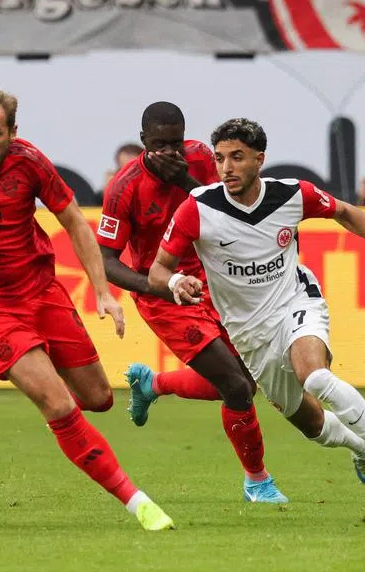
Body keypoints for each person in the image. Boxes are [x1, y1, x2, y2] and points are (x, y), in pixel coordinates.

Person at [0, 88, 174, 531]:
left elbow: (72, 220)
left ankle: (65, 422)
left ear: (12, 131)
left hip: (41, 291)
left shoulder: (29, 161)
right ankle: (138, 502)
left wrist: (103, 291)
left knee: (98, 399)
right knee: (58, 402)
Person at [149, 118, 365, 501]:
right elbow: (157, 270)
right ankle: (359, 447)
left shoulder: (291, 195)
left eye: (237, 157)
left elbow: (346, 212)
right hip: (249, 333)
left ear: (259, 160)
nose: (226, 168)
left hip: (297, 301)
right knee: (311, 423)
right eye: (219, 159)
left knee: (314, 376)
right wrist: (173, 283)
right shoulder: (198, 209)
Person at [97, 102, 287, 504]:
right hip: (164, 296)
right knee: (236, 387)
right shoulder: (123, 188)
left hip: (215, 283)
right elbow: (106, 262)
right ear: (144, 141)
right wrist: (157, 287)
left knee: (245, 383)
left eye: (176, 143)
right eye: (160, 145)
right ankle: (258, 481)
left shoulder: (202, 160)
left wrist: (184, 178)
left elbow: (235, 208)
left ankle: (154, 384)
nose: (170, 152)